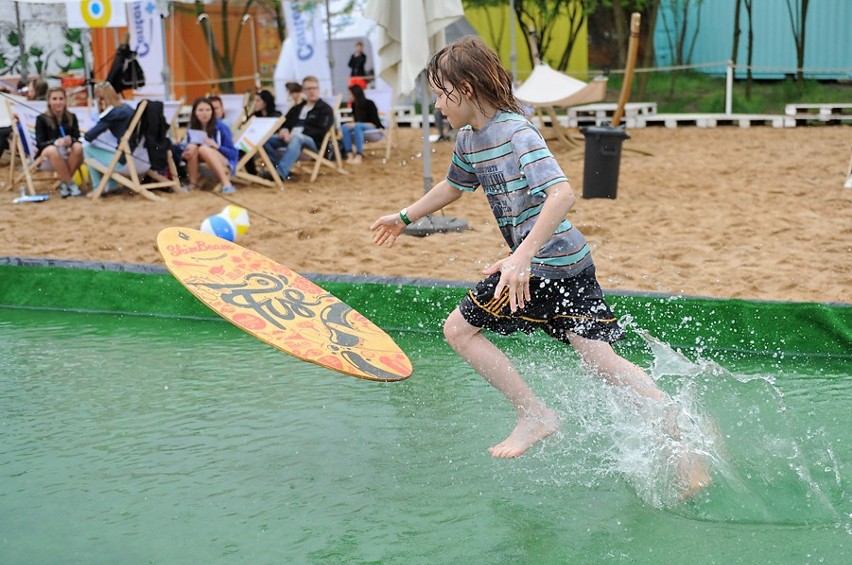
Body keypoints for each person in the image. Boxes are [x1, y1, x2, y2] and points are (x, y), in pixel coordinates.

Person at [369, 37, 710, 494]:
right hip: (570, 261)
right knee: (600, 360)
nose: (436, 104)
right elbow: (453, 188)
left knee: (458, 330)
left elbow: (562, 194)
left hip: (544, 262)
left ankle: (535, 414)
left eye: (440, 92)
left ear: (466, 89)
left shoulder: (517, 132)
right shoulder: (470, 139)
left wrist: (521, 255)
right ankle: (683, 435)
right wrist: (405, 216)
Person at [263, 75, 333, 182]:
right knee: (265, 139)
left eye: (314, 88)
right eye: (308, 89)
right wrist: (284, 131)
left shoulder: (325, 109)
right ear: (303, 91)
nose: (312, 91)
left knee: (298, 137)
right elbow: (285, 123)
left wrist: (295, 135)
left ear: (318, 89)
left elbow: (321, 131)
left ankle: (280, 174)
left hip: (312, 143)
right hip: (291, 141)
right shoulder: (297, 108)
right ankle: (277, 169)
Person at [83, 81, 135, 194]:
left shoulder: (111, 114)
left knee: (87, 149)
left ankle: (98, 188)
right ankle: (111, 184)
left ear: (101, 100)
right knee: (108, 150)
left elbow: (89, 136)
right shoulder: (128, 108)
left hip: (125, 162)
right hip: (140, 158)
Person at [35, 87, 84, 197]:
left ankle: (65, 184)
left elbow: (78, 138)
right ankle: (70, 183)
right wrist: (56, 142)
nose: (58, 102)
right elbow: (40, 143)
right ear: (49, 101)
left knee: (78, 147)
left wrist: (71, 140)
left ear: (66, 100)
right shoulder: (41, 119)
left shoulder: (72, 117)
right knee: (52, 149)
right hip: (48, 158)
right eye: (55, 99)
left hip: (69, 155)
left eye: (61, 99)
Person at [181, 97, 238, 194]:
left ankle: (227, 184)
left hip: (224, 164)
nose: (205, 113)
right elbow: (186, 150)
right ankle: (193, 185)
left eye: (208, 110)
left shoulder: (221, 127)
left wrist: (217, 146)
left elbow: (233, 154)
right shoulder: (192, 128)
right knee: (193, 148)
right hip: (203, 164)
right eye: (201, 110)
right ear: (195, 112)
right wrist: (185, 153)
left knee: (203, 149)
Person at [340, 84, 383, 164]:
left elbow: (376, 123)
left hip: (374, 130)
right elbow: (356, 122)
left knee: (357, 126)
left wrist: (357, 124)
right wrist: (353, 124)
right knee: (345, 127)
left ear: (356, 94)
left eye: (350, 94)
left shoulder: (369, 104)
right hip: (359, 129)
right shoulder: (354, 105)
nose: (349, 96)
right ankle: (350, 155)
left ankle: (358, 156)